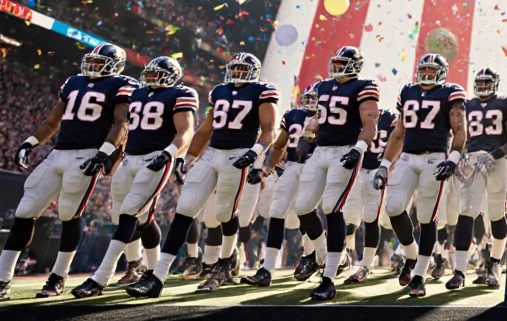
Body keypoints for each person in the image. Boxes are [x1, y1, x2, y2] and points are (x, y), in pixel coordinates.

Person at [127, 53, 278, 299]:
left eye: (243, 69)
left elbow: (270, 129)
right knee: (185, 208)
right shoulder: (220, 91)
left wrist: (255, 152)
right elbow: (205, 130)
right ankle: (157, 276)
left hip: (239, 152)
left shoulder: (262, 91)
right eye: (235, 68)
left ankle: (226, 261)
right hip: (211, 153)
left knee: (224, 213)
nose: (237, 73)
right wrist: (186, 159)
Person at [1, 44, 136, 301]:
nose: (93, 66)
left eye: (100, 63)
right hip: (58, 153)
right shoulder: (74, 81)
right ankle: (2, 278)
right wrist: (30, 142)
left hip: (86, 154)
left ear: (115, 66)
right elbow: (53, 121)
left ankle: (58, 276)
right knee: (25, 211)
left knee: (69, 213)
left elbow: (122, 122)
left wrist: (103, 152)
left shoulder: (121, 85)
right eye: (92, 61)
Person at [71, 57, 198, 298]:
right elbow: (128, 128)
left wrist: (169, 153)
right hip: (129, 158)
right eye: (149, 73)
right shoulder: (137, 94)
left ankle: (101, 277)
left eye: (156, 74)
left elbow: (186, 130)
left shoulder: (180, 94)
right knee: (133, 217)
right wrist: (112, 154)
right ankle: (150, 271)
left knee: (130, 212)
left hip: (154, 157)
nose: (151, 78)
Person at [291, 46, 380, 301]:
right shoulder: (324, 86)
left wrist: (358, 149)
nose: (337, 67)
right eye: (336, 62)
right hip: (321, 151)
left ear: (354, 65)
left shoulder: (364, 87)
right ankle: (324, 255)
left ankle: (328, 279)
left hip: (345, 149)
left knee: (332, 207)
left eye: (342, 63)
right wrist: (307, 138)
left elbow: (370, 123)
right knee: (303, 207)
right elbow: (319, 118)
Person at [377, 53, 467, 297]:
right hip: (407, 157)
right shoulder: (408, 91)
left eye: (431, 70)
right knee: (393, 208)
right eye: (423, 69)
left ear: (442, 73)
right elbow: (398, 133)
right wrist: (385, 164)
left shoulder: (450, 93)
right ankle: (411, 254)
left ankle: (419, 275)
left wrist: (453, 159)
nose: (426, 74)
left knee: (427, 216)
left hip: (434, 158)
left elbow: (459, 129)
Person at [240, 85, 320, 287]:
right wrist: (266, 168)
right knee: (276, 211)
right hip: (292, 166)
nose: (311, 102)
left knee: (305, 211)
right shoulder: (293, 115)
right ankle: (267, 269)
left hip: (316, 165)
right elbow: (279, 144)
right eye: (309, 98)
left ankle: (314, 255)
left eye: (316, 98)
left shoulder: (328, 117)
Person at [450, 67, 507, 290]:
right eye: (480, 83)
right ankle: (459, 271)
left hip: (497, 160)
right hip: (472, 160)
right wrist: (456, 158)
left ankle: (495, 262)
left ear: (496, 84)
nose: (483, 87)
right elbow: (459, 135)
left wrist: (494, 154)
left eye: (487, 83)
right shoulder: (466, 105)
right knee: (465, 211)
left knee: (497, 213)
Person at [343, 104, 398, 283]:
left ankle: (366, 265)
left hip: (377, 170)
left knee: (371, 216)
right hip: (357, 170)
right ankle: (345, 255)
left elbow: (400, 139)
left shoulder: (390, 119)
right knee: (348, 215)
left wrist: (390, 165)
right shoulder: (356, 115)